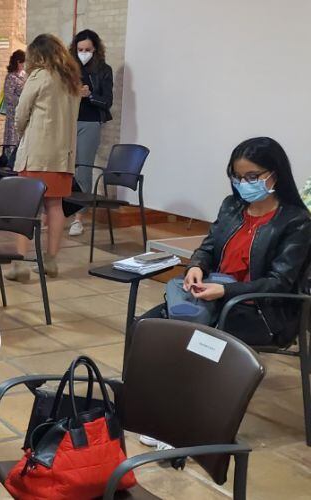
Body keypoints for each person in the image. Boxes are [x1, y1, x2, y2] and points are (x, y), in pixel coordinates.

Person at [141, 137, 311, 347]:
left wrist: (225, 291)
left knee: (195, 343)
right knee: (143, 328)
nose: (243, 184)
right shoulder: (232, 207)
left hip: (261, 311)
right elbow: (208, 248)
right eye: (237, 177)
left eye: (252, 177)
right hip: (215, 297)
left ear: (275, 174)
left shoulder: (295, 221)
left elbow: (278, 282)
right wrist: (196, 267)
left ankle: (201, 377)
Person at [7, 33, 81, 281]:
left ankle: (19, 265)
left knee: (25, 208)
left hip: (37, 153)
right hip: (63, 155)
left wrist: (20, 131)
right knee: (55, 206)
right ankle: (50, 261)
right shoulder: (71, 81)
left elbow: (21, 113)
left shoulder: (39, 76)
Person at [67, 29, 114, 237]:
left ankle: (79, 218)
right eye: (80, 49)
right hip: (67, 121)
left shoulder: (103, 69)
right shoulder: (68, 68)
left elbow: (107, 101)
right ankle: (54, 214)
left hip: (89, 121)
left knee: (83, 169)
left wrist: (90, 94)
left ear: (95, 50)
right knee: (64, 167)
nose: (83, 53)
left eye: (87, 49)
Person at [2, 49, 27, 145]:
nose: (24, 65)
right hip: (14, 113)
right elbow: (8, 96)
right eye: (22, 63)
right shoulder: (11, 77)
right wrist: (22, 101)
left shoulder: (25, 75)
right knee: (13, 138)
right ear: (18, 62)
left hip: (24, 113)